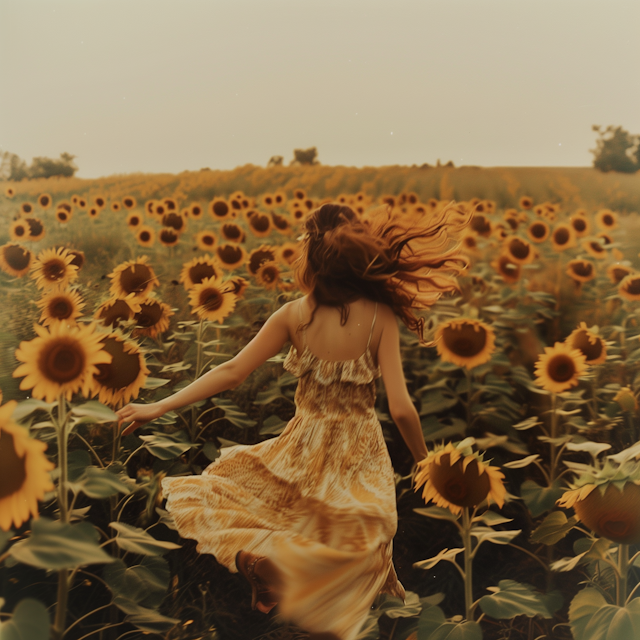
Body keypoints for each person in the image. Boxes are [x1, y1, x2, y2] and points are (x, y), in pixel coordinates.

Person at [116, 201, 472, 640]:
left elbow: (230, 372)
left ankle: (259, 568)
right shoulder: (380, 316)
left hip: (303, 443)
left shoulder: (294, 315)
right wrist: (424, 463)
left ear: (311, 254)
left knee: (268, 514)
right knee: (371, 528)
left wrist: (156, 406)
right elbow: (400, 408)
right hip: (358, 450)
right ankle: (322, 614)